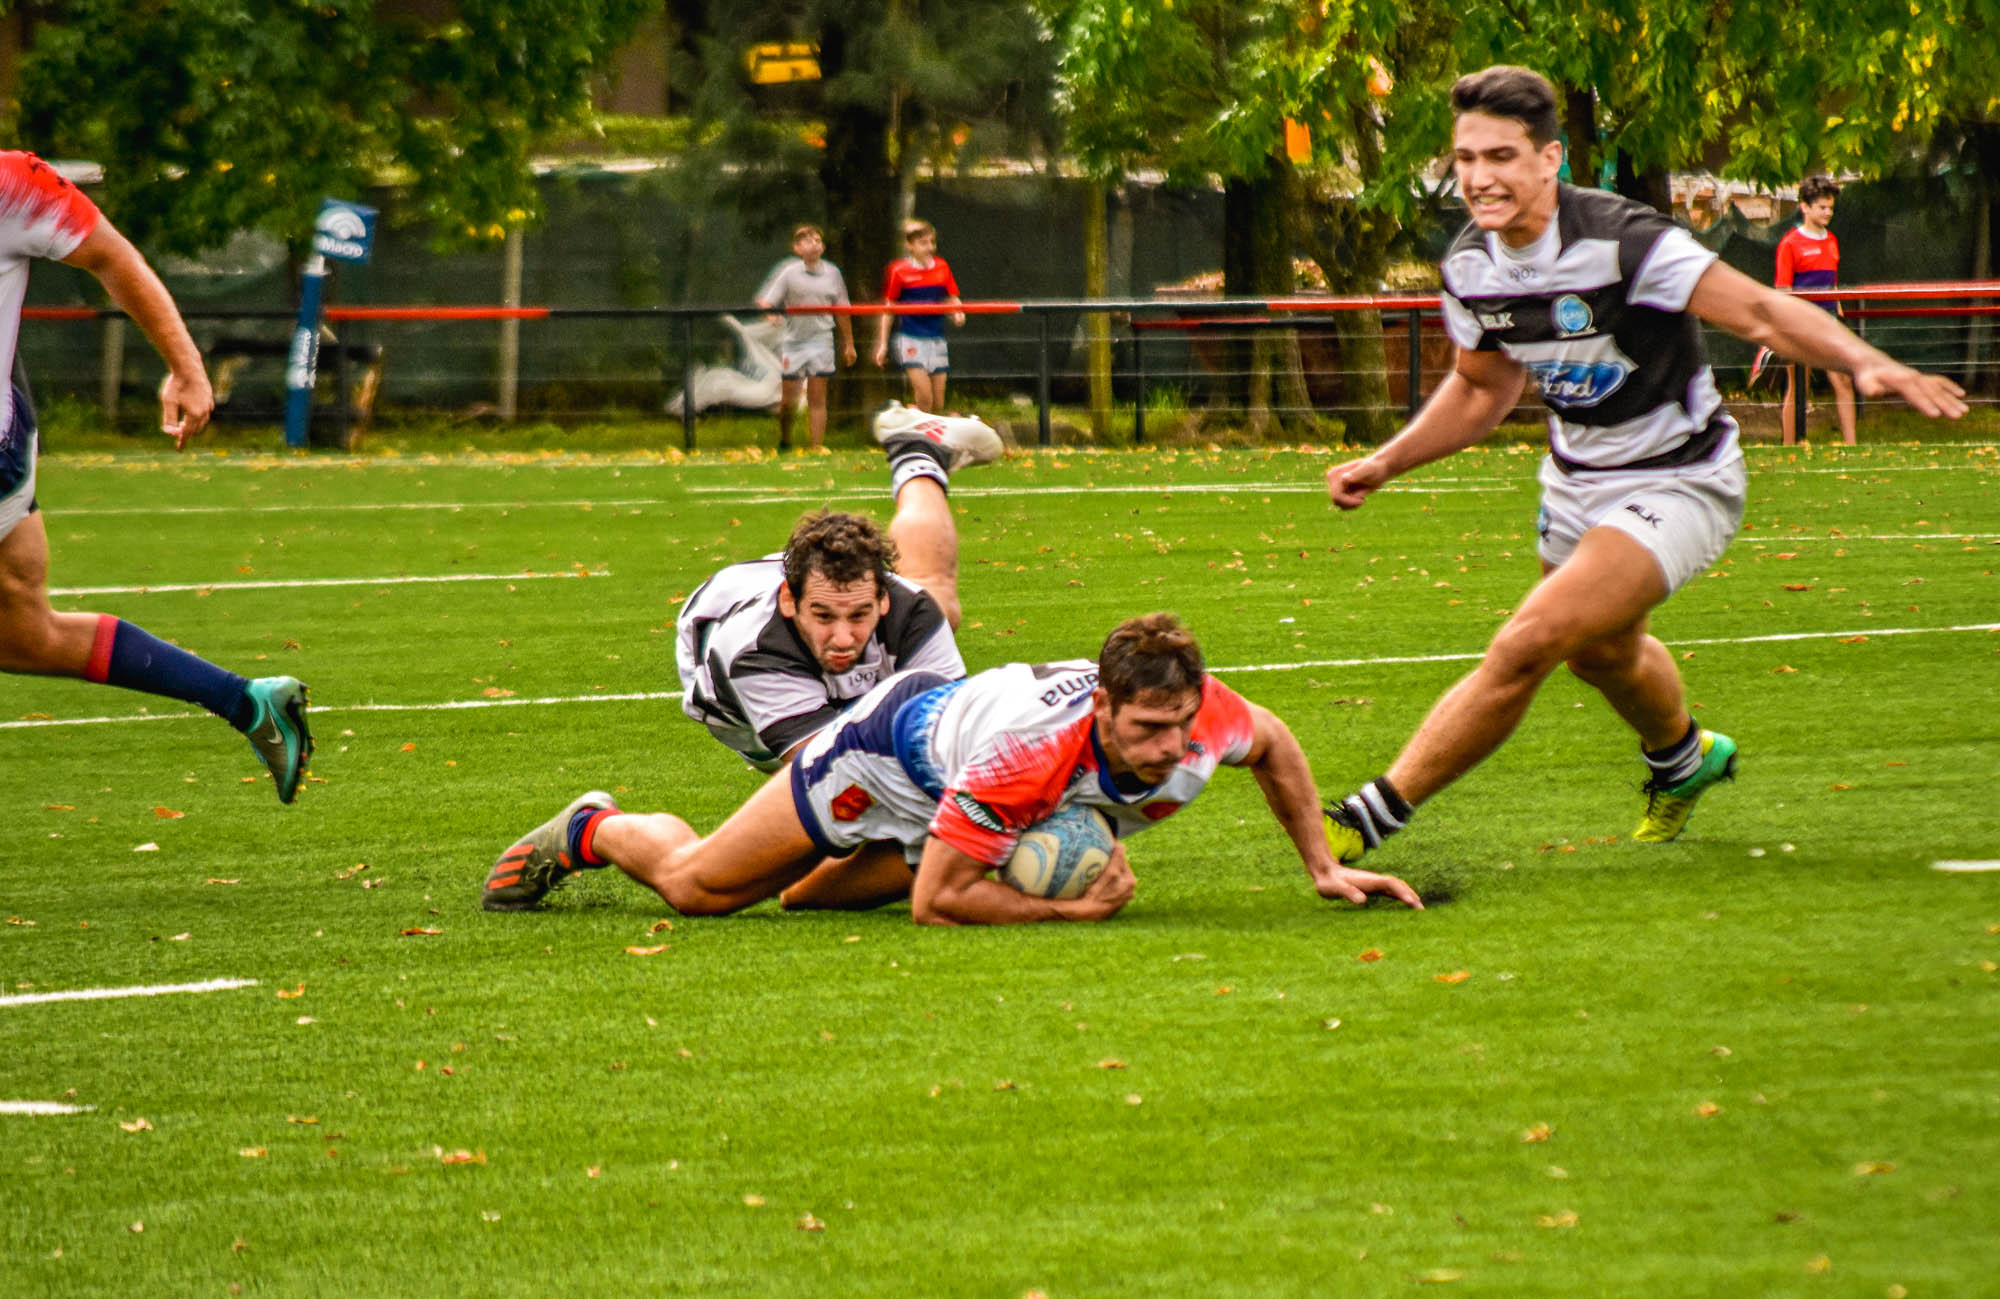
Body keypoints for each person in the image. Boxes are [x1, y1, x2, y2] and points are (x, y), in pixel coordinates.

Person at [1320, 66, 1965, 862]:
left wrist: (1868, 361)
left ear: (1550, 158)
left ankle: (1368, 816)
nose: (1480, 178)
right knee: (1601, 653)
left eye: (1501, 156)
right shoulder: (1468, 266)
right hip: (1574, 483)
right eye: (1464, 159)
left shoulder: (1626, 240)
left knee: (1531, 641)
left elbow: (1761, 309)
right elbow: (1482, 388)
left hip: (1680, 479)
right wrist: (1387, 463)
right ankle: (1685, 758)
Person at [485, 613, 1422, 923]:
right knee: (704, 891)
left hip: (959, 777)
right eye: (1144, 729)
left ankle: (833, 864)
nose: (1169, 749)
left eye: (1179, 725)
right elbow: (939, 903)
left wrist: (1323, 864)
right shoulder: (1031, 759)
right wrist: (1070, 909)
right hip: (881, 754)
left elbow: (1278, 745)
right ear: (1102, 708)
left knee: (804, 902)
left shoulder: (1202, 718)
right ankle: (592, 828)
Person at [0, 151, 312, 802]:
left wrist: (187, 367)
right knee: (25, 631)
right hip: (9, 428)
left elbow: (112, 254)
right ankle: (247, 701)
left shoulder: (11, 182)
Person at [674, 404, 1003, 770]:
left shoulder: (912, 612)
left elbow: (950, 742)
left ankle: (918, 451)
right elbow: (837, 774)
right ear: (789, 601)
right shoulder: (756, 651)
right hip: (733, 692)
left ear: (883, 601)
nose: (843, 638)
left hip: (805, 590)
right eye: (823, 616)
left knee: (937, 601)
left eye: (860, 614)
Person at [755, 224, 857, 452]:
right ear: (797, 248)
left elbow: (842, 309)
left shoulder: (833, 273)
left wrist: (849, 344)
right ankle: (785, 440)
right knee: (788, 400)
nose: (814, 244)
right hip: (794, 342)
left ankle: (816, 446)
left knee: (817, 397)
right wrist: (770, 314)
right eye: (808, 240)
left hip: (822, 340)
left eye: (818, 240)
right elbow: (767, 301)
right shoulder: (789, 273)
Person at [1776, 175, 1857, 447]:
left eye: (1830, 207)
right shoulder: (1790, 243)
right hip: (1799, 324)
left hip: (1829, 321)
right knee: (1798, 387)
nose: (1827, 212)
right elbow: (1783, 289)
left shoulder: (1831, 240)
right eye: (1822, 207)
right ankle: (1789, 447)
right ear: (1805, 207)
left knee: (1843, 379)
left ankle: (1852, 446)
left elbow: (1831, 281)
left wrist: (1838, 310)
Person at [873, 219, 963, 412]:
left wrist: (957, 312)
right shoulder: (898, 270)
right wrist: (882, 344)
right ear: (910, 246)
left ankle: (929, 436)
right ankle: (919, 439)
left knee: (938, 401)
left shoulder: (942, 267)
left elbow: (952, 298)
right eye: (923, 243)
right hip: (911, 338)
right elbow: (888, 308)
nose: (930, 247)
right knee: (924, 396)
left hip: (936, 337)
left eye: (932, 242)